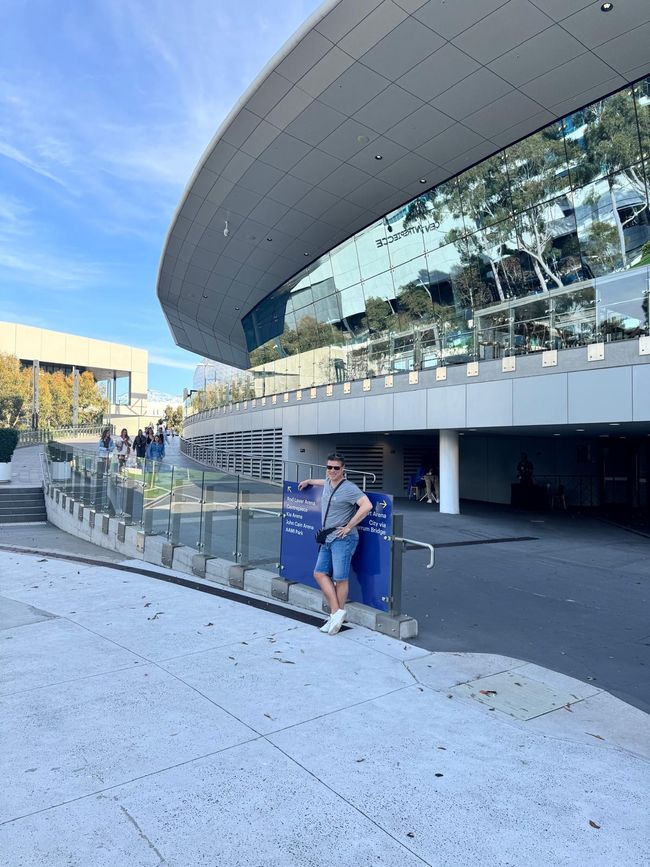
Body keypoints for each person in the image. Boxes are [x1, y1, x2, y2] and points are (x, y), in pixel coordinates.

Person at [298, 454, 372, 635]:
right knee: (319, 573)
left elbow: (367, 505)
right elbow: (322, 481)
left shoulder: (350, 488)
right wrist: (308, 480)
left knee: (340, 579)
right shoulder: (328, 482)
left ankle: (336, 617)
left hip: (343, 539)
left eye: (336, 468)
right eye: (329, 467)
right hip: (327, 537)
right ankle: (336, 613)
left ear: (343, 469)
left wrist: (349, 526)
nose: (332, 471)